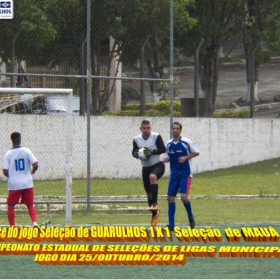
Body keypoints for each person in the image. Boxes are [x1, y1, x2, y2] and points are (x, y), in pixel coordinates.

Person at [161, 122, 199, 230]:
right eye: (173, 128)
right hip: (174, 175)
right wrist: (159, 162)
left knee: (183, 197)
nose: (175, 130)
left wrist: (186, 157)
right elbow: (167, 158)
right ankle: (171, 225)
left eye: (177, 128)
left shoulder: (186, 142)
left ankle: (190, 216)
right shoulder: (168, 144)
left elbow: (196, 152)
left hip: (185, 174)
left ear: (180, 130)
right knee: (170, 198)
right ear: (171, 130)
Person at [132, 120, 166, 227]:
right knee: (149, 193)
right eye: (144, 128)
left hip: (157, 165)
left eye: (148, 128)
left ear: (150, 128)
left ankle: (155, 204)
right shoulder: (136, 139)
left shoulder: (156, 136)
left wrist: (151, 151)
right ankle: (154, 214)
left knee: (153, 177)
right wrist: (137, 154)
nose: (146, 130)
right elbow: (134, 152)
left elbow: (163, 149)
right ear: (140, 128)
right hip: (145, 168)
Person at [2, 132, 39, 227]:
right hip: (27, 183)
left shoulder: (8, 154)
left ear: (12, 140)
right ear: (20, 139)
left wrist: (13, 176)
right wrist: (32, 172)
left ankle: (12, 226)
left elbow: (5, 171)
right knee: (30, 204)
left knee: (11, 205)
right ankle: (34, 222)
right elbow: (35, 164)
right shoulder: (26, 151)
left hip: (14, 184)